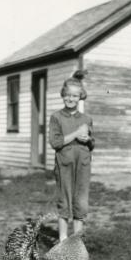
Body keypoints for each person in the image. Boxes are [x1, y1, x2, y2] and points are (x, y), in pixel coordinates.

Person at [48, 70, 94, 241]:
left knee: (80, 202)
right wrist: (75, 134)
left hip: (83, 165)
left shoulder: (86, 119)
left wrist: (88, 138)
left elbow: (92, 144)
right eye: (67, 95)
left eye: (75, 96)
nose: (70, 99)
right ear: (62, 95)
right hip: (64, 165)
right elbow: (55, 142)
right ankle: (62, 239)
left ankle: (76, 240)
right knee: (64, 201)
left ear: (80, 97)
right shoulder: (56, 118)